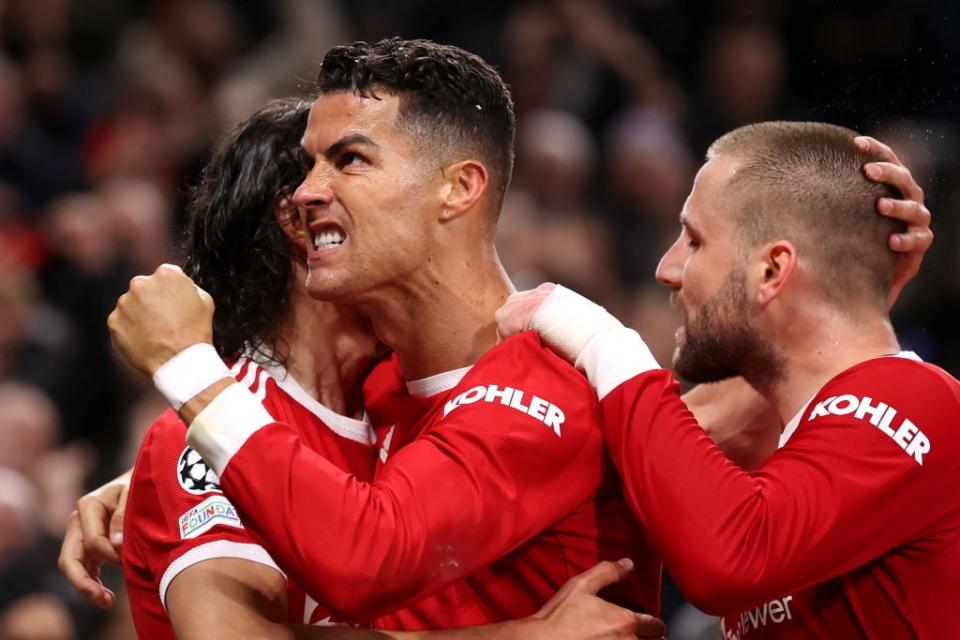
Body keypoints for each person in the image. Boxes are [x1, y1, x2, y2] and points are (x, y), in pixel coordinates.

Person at [62, 97, 664, 639]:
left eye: (349, 164)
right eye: (339, 167)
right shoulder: (212, 430)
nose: (323, 189)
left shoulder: (392, 397)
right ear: (303, 224)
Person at [496, 122, 956, 638]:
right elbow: (673, 441)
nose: (666, 268)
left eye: (694, 240)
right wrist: (863, 280)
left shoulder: (922, 401)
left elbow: (733, 558)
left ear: (772, 270)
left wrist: (604, 342)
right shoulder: (797, 423)